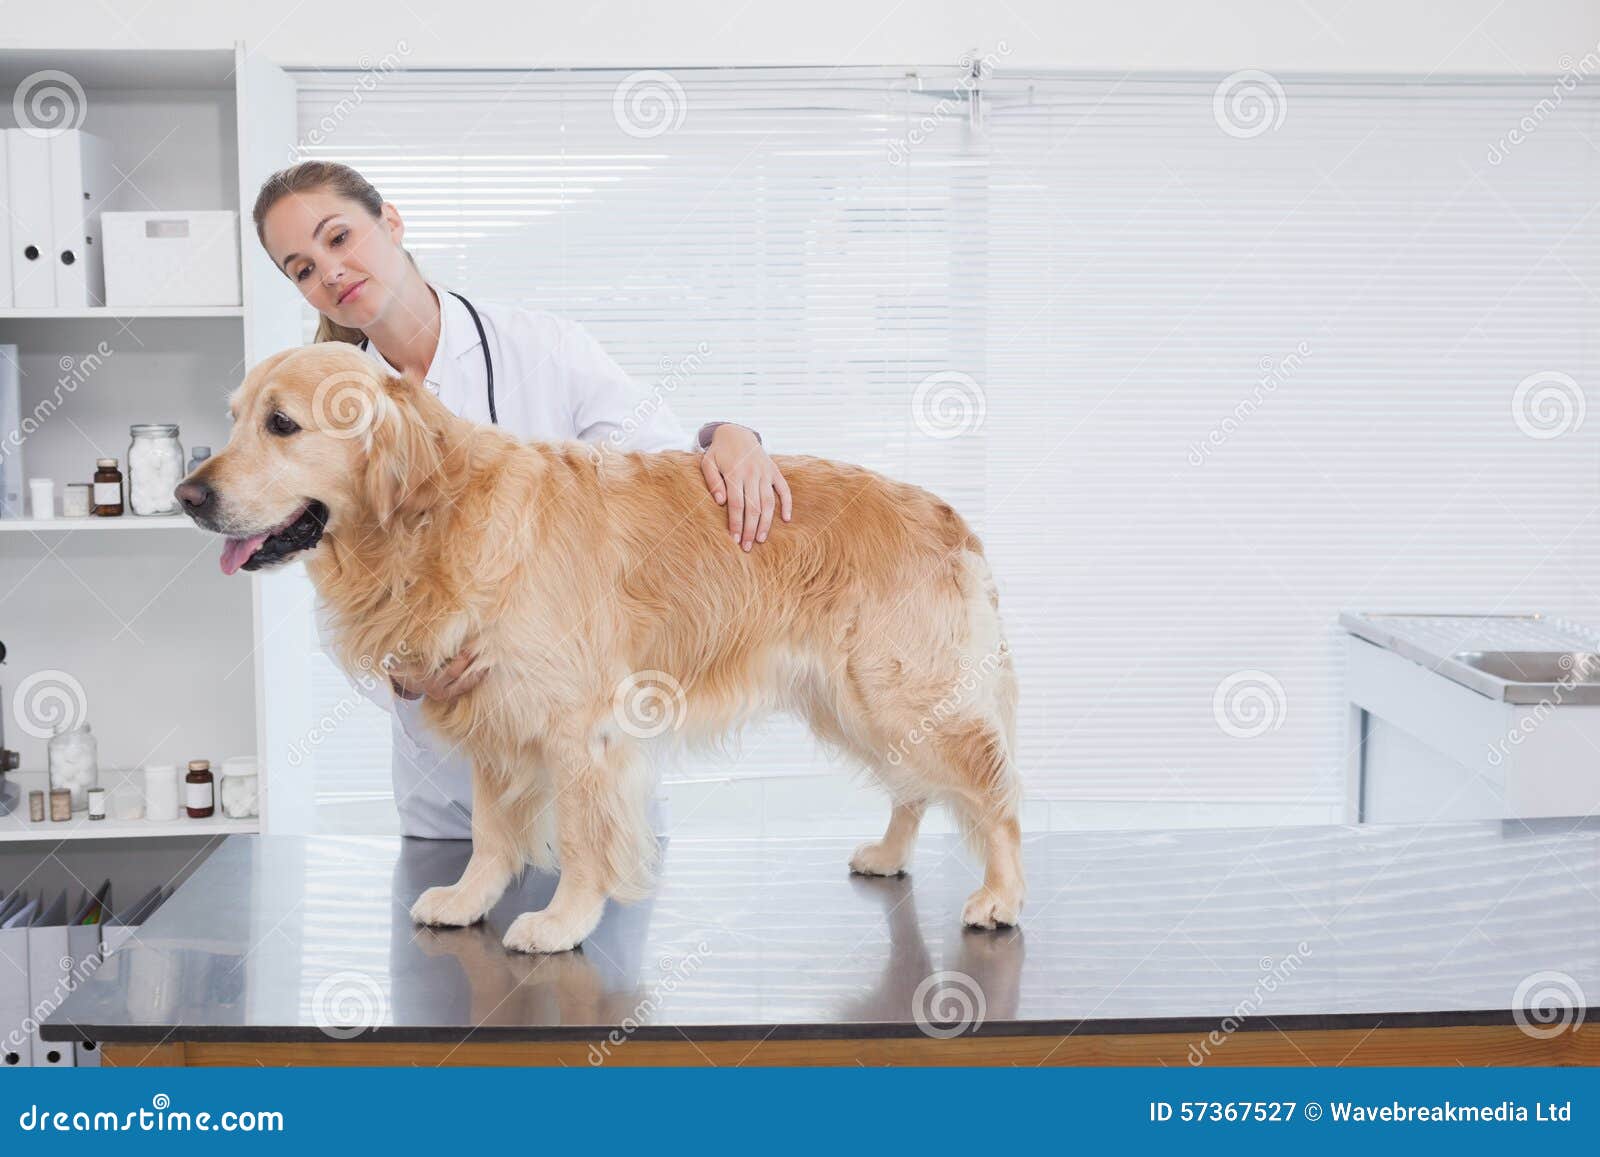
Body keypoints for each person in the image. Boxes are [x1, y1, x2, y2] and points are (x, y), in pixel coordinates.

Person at [251, 160, 793, 838]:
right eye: (301, 268)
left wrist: (729, 435)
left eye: (339, 238)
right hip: (450, 805)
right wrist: (404, 676)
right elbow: (340, 591)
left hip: (586, 780)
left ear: (390, 222)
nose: (328, 272)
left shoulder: (542, 349)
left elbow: (660, 468)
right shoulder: (317, 413)